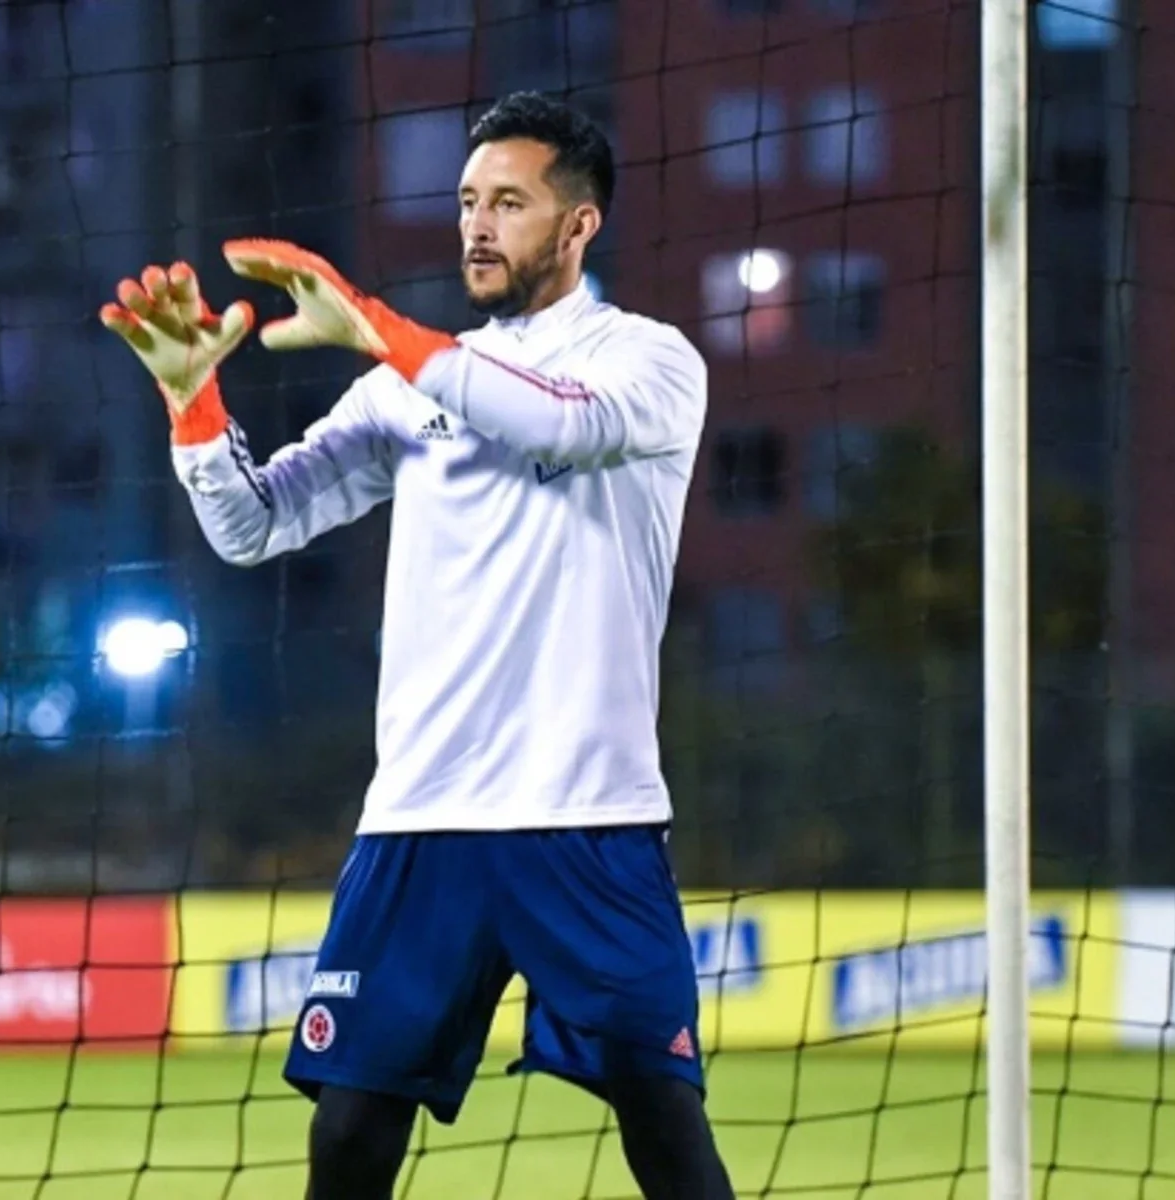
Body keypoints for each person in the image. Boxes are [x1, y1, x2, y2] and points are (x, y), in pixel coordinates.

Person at [100, 90, 734, 1200]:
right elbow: (253, 525)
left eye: (509, 203)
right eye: (466, 202)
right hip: (421, 821)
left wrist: (377, 325)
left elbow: (561, 424)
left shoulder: (650, 362)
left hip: (585, 818)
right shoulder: (408, 386)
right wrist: (194, 403)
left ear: (579, 225)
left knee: (662, 1128)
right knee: (347, 1140)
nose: (477, 226)